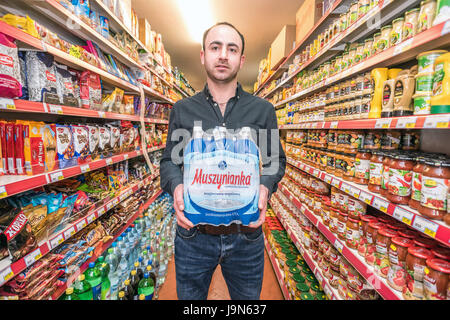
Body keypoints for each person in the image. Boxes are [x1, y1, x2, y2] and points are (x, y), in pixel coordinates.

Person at [160, 22, 286, 300]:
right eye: (215, 47)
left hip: (246, 236)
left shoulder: (262, 110)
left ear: (241, 60)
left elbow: (275, 160)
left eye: (232, 49)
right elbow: (169, 161)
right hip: (194, 236)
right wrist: (177, 187)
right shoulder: (182, 110)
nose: (223, 55)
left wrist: (265, 187)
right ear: (203, 55)